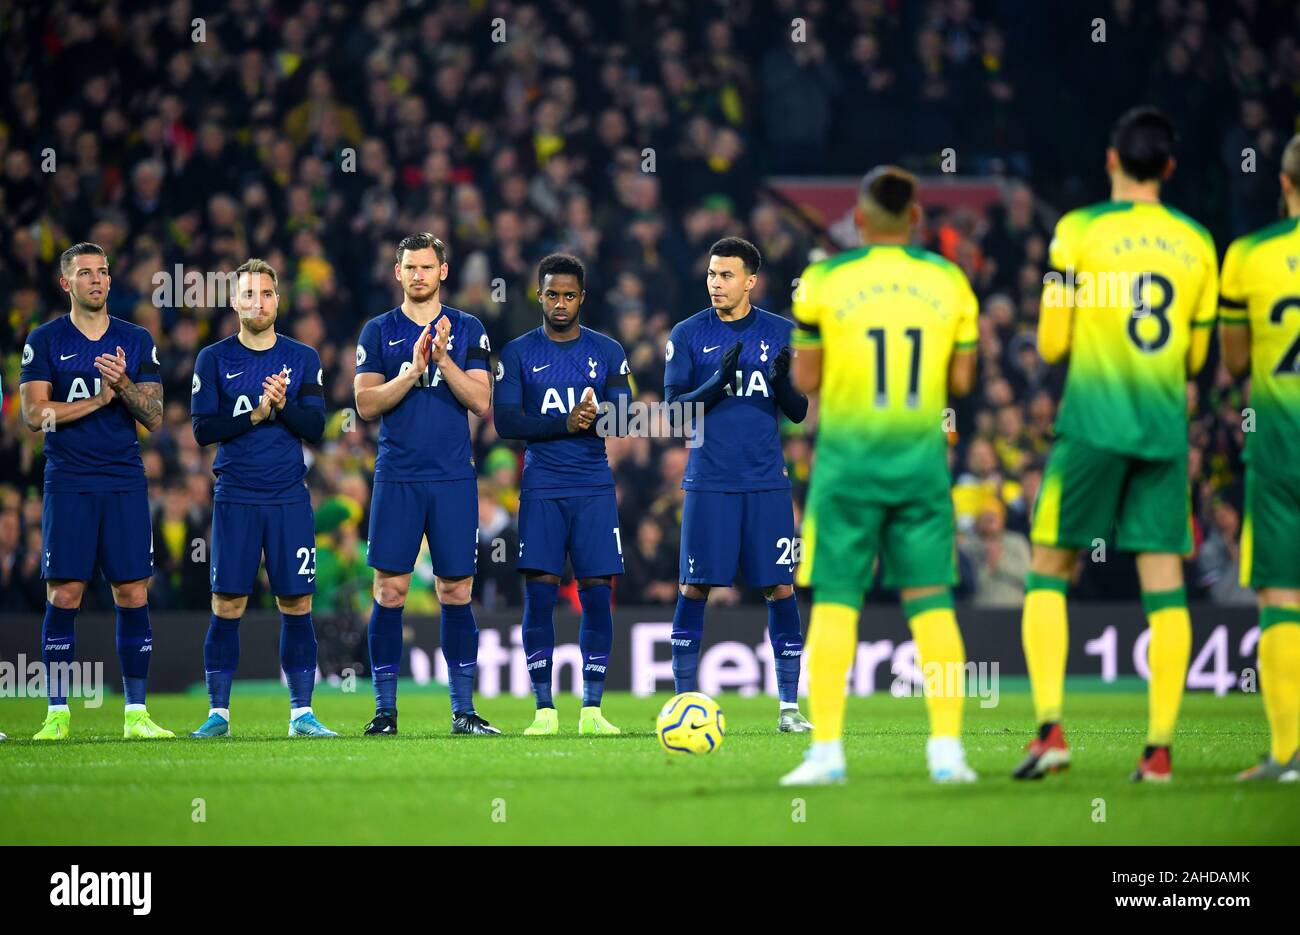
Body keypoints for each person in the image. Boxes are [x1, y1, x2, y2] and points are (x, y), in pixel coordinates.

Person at [1017, 108, 1218, 782]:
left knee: (1048, 570)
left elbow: (1050, 342)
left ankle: (1050, 731)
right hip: (1161, 430)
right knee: (1165, 587)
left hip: (1093, 426)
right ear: (1169, 167)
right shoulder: (1197, 241)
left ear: (1111, 161)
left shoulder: (1077, 231)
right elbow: (1194, 356)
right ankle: (1158, 749)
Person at [779, 167, 979, 785]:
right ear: (915, 219)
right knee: (932, 605)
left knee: (836, 605)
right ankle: (947, 753)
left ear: (859, 221)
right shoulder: (950, 282)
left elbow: (805, 383)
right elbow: (963, 383)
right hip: (921, 466)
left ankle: (827, 754)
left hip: (848, 466)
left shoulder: (823, 280)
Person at [18, 242, 171, 740]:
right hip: (69, 482)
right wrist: (100, 400)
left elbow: (154, 416)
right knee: (65, 592)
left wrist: (123, 383)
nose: (98, 280)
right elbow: (34, 415)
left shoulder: (136, 339)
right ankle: (57, 713)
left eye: (103, 271)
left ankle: (136, 714)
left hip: (124, 479)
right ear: (66, 283)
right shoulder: (44, 341)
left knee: (132, 590)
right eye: (86, 273)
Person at [663, 236, 812, 731]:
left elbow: (797, 412)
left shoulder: (781, 332)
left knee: (780, 587)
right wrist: (716, 384)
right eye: (711, 274)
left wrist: (787, 382)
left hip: (766, 482)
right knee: (695, 586)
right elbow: (673, 411)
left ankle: (789, 707)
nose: (715, 284)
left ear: (751, 281)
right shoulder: (687, 334)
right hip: (708, 481)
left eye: (726, 276)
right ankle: (684, 704)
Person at [354, 233, 497, 735]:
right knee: (390, 590)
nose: (418, 275)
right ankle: (384, 712)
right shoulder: (378, 331)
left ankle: (463, 712)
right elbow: (366, 405)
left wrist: (442, 361)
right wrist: (413, 370)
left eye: (426, 267)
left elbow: (481, 401)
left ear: (443, 271)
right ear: (397, 273)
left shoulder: (469, 327)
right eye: (409, 267)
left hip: (453, 478)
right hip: (397, 476)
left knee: (456, 591)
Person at [188, 258, 336, 738]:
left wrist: (283, 406)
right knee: (227, 603)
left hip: (288, 496)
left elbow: (315, 429)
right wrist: (255, 414)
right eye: (249, 294)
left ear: (278, 300)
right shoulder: (212, 359)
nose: (258, 302)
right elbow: (202, 430)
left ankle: (301, 715)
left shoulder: (303, 357)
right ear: (235, 301)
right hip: (236, 495)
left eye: (267, 294)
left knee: (297, 603)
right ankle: (218, 715)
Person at [494, 254, 632, 735]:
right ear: (539, 295)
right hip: (542, 489)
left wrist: (602, 415)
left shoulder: (609, 350)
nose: (560, 303)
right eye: (552, 294)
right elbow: (507, 422)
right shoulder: (516, 353)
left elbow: (627, 416)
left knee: (597, 595)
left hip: (594, 487)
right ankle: (544, 710)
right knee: (539, 597)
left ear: (582, 298)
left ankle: (592, 710)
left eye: (569, 295)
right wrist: (567, 422)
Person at [1218, 132, 1300, 782]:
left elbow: (1236, 360)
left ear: (1284, 183)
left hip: (1278, 442)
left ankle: (1287, 753)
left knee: (1280, 594)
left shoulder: (1248, 255)